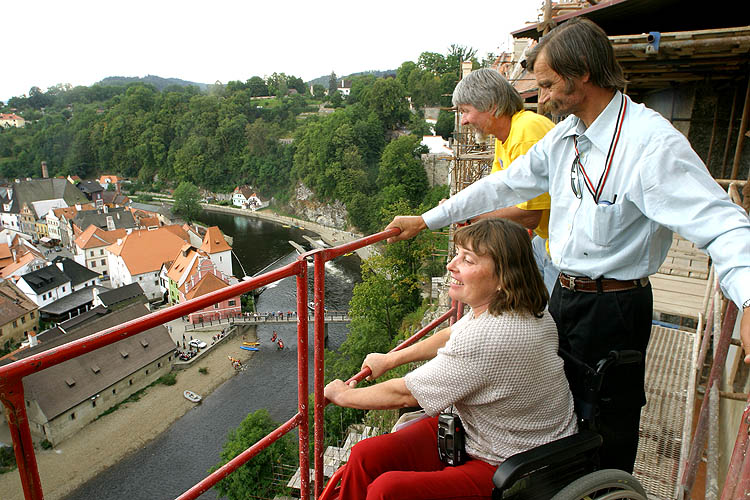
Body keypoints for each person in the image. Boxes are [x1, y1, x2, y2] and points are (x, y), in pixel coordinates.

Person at [385, 17, 750, 473]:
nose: (543, 96)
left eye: (549, 84)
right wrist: (428, 219)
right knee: (562, 406)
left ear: (583, 75)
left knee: (609, 419)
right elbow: (501, 186)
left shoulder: (649, 143)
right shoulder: (565, 138)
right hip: (567, 294)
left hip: (616, 306)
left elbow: (724, 224)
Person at [324, 219, 576, 500]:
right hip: (481, 432)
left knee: (387, 491)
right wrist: (392, 358)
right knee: (364, 455)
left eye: (467, 260)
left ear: (504, 276)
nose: (451, 265)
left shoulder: (491, 337)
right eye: (456, 253)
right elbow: (452, 332)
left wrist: (343, 396)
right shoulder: (519, 306)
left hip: (510, 463)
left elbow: (405, 394)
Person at [453, 68, 558, 293]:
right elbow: (494, 196)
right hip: (546, 238)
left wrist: (469, 219)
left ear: (491, 106)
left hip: (563, 247)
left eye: (465, 111)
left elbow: (530, 215)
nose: (463, 122)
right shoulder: (507, 135)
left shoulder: (525, 133)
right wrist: (458, 207)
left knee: (550, 316)